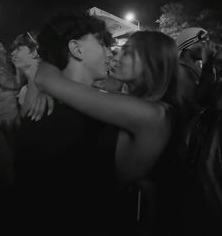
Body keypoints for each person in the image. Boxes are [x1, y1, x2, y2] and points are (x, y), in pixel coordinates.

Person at [35, 29, 182, 235]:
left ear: (153, 61)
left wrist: (50, 58)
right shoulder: (143, 105)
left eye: (127, 52)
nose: (115, 54)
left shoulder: (152, 114)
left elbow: (47, 79)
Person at [14, 13, 116, 234]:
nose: (110, 52)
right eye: (102, 43)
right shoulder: (72, 121)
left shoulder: (46, 110)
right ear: (76, 49)